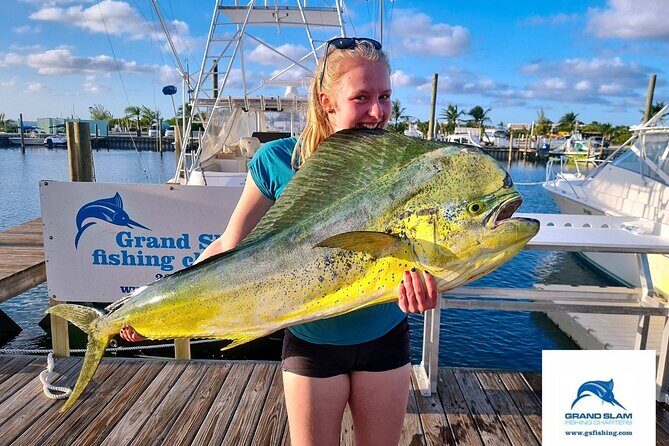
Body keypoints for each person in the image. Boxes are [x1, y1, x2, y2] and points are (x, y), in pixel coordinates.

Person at [120, 37, 438, 446]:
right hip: (312, 346)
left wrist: (429, 284)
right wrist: (151, 307)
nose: (377, 111)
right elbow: (229, 246)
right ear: (326, 101)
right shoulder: (277, 161)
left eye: (385, 96)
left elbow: (425, 248)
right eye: (361, 97)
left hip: (385, 338)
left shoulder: (403, 167)